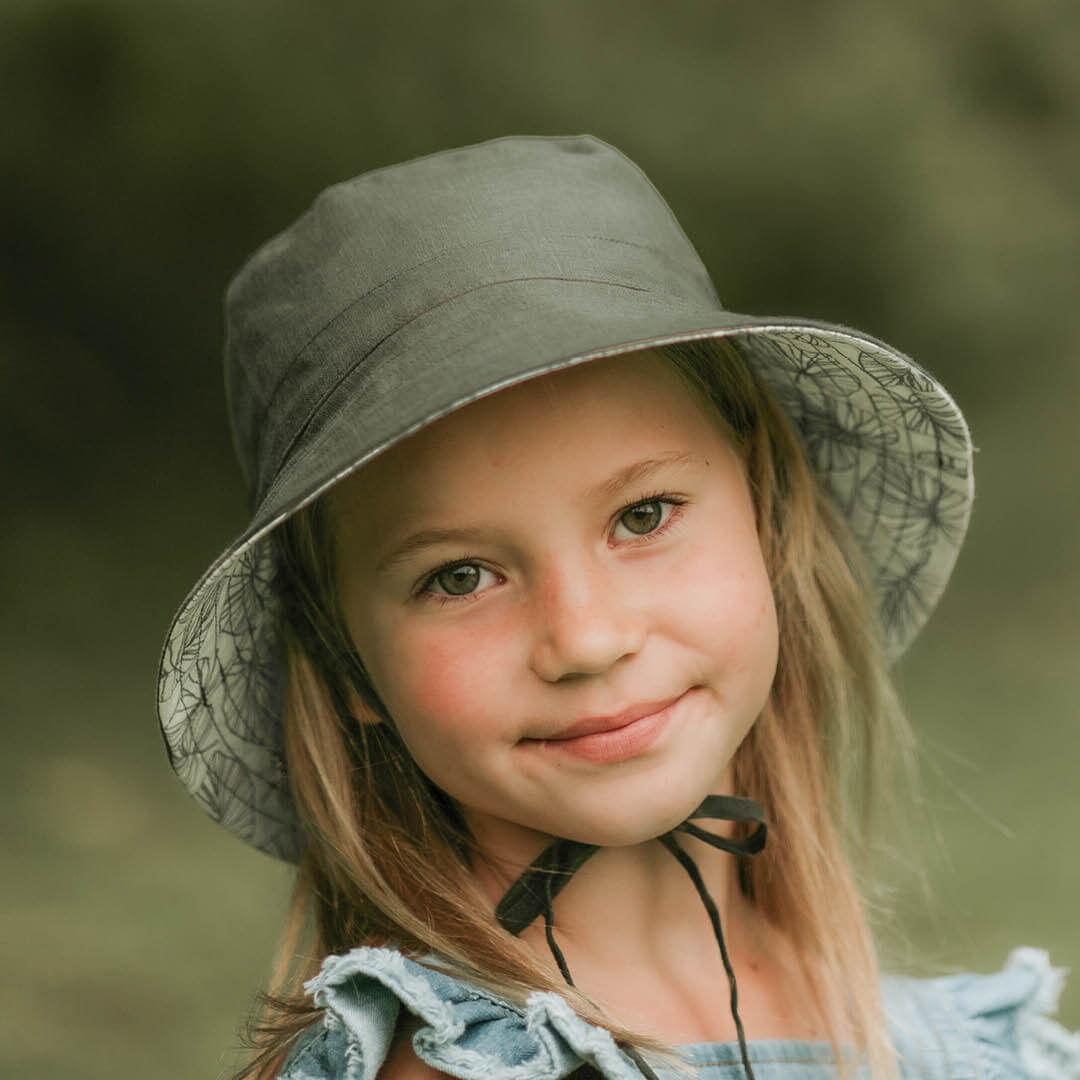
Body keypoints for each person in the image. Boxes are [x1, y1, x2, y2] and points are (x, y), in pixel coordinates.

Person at [158, 135, 1079, 1080]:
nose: (588, 639)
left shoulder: (961, 1053)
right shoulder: (455, 1066)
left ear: (768, 522)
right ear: (344, 659)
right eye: (460, 576)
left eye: (643, 516)